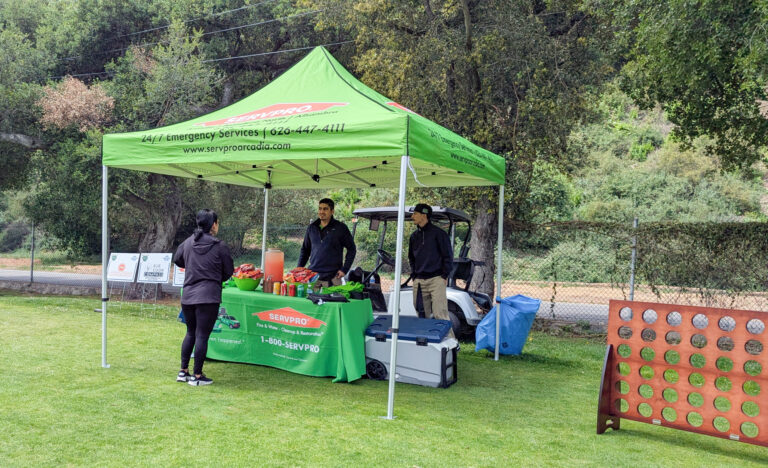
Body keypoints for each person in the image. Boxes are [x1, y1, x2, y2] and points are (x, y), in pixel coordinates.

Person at [172, 209, 234, 386]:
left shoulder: (188, 242)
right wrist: (214, 277)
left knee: (191, 332)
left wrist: (193, 266)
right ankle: (197, 376)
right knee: (201, 335)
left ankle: (183, 371)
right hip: (208, 296)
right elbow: (228, 271)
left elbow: (177, 259)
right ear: (214, 224)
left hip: (189, 296)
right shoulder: (219, 245)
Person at [408, 203, 455, 337]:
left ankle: (451, 344)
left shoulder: (439, 234)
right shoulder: (413, 236)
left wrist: (444, 275)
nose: (412, 217)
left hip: (436, 280)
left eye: (415, 214)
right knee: (421, 314)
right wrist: (414, 276)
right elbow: (411, 257)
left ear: (424, 215)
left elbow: (448, 256)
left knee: (440, 313)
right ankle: (425, 343)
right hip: (419, 281)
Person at [297, 198, 356, 288]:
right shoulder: (311, 228)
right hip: (313, 277)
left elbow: (352, 249)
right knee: (311, 301)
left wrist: (344, 269)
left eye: (325, 209)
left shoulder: (341, 228)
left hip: (334, 277)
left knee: (332, 301)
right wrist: (299, 268)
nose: (321, 211)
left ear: (332, 211)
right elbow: (305, 249)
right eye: (320, 208)